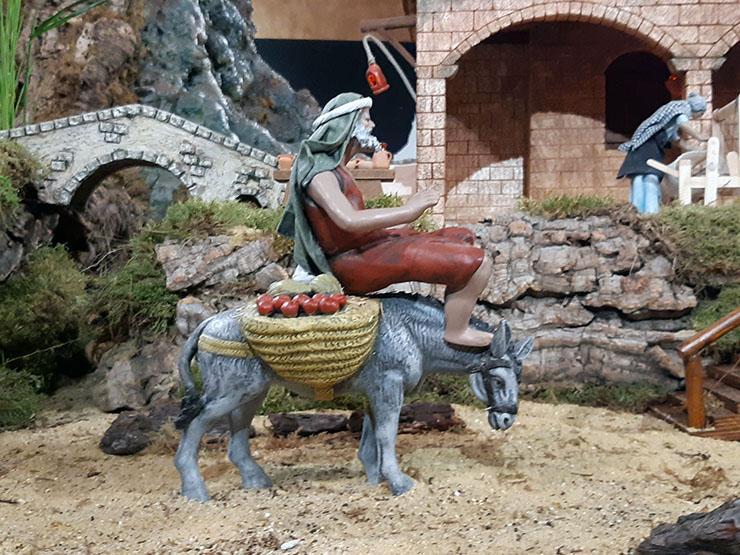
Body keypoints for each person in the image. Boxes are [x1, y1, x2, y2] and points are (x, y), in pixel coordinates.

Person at [278, 92, 494, 348]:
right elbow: (348, 220)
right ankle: (456, 331)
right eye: (366, 119)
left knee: (461, 237)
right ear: (347, 125)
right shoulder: (320, 174)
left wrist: (400, 225)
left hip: (365, 247)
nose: (372, 125)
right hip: (349, 263)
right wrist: (408, 211)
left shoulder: (336, 169)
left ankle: (454, 321)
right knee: (477, 263)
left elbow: (354, 226)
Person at [618, 92, 708, 214]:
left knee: (642, 176)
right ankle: (648, 211)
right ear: (698, 110)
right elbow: (683, 123)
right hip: (648, 145)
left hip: (647, 145)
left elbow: (675, 139)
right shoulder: (682, 109)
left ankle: (640, 210)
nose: (699, 116)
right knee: (648, 176)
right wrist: (699, 136)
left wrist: (692, 150)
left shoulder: (673, 115)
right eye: (700, 114)